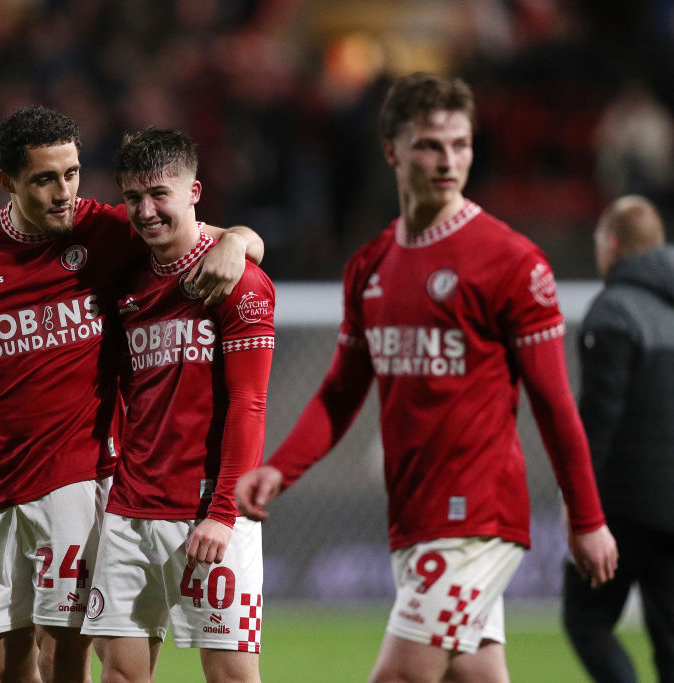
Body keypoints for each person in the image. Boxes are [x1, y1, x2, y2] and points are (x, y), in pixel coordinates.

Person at [234, 72, 619, 683]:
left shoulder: (511, 261)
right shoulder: (371, 265)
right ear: (392, 150)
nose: (449, 160)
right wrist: (282, 468)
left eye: (461, 145)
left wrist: (587, 518)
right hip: (413, 512)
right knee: (473, 674)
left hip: (477, 515)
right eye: (430, 145)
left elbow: (554, 403)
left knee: (401, 676)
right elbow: (341, 392)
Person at [0, 105, 263, 683]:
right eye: (45, 178)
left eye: (73, 173)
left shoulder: (109, 230)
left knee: (65, 658)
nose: (64, 193)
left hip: (84, 478)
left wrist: (237, 239)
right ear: (7, 182)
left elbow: (189, 227)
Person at [80, 128, 274, 683]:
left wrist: (223, 512)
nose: (145, 211)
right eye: (134, 197)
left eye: (159, 194)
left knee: (231, 675)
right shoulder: (127, 287)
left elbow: (249, 404)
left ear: (194, 192)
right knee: (119, 673)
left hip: (209, 512)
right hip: (131, 507)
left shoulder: (239, 283)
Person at [562, 194, 674, 683]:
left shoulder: (613, 313)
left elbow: (598, 420)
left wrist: (578, 501)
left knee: (586, 618)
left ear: (611, 244)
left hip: (625, 510)